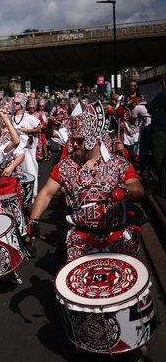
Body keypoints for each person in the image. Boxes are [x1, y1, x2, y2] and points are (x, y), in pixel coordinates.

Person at [29, 102, 144, 262]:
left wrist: (126, 190)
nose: (73, 144)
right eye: (72, 139)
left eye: (79, 140)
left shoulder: (118, 164)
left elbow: (137, 188)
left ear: (93, 139)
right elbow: (47, 192)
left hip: (115, 239)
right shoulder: (65, 165)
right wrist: (33, 220)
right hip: (80, 241)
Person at [139, 76, 166, 176]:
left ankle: (145, 170)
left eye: (161, 82)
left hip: (160, 130)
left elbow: (150, 107)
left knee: (160, 158)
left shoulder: (163, 94)